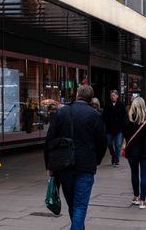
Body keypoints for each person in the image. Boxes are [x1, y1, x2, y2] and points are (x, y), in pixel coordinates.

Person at [44, 84, 106, 230]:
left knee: (73, 204)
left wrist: (49, 165)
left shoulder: (62, 113)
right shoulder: (95, 115)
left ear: (77, 94)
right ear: (91, 98)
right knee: (80, 205)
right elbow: (102, 143)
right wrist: (96, 161)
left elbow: (49, 141)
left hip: (64, 165)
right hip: (85, 166)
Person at [123, 97, 146, 209]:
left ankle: (136, 197)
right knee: (144, 175)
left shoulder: (128, 119)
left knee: (134, 174)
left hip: (132, 150)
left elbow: (125, 134)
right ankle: (143, 200)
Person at [103, 89, 126, 166]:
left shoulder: (121, 105)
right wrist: (107, 121)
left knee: (118, 144)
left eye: (114, 95)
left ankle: (116, 160)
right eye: (111, 96)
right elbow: (104, 115)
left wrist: (122, 126)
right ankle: (113, 155)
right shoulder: (107, 104)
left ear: (117, 96)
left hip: (118, 128)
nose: (113, 97)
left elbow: (124, 116)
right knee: (109, 144)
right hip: (109, 128)